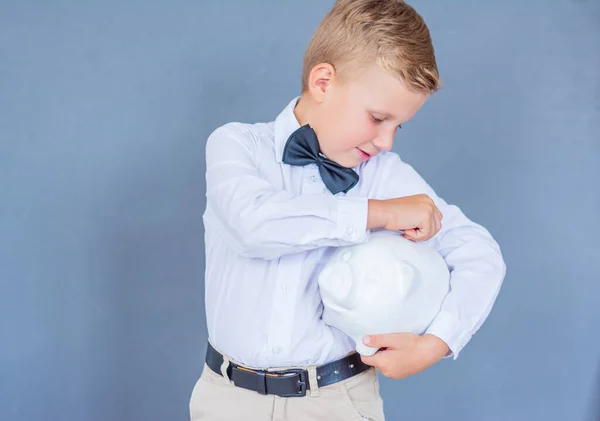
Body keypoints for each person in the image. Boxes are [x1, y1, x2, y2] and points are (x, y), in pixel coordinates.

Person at [189, 1, 506, 420]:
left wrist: (435, 344)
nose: (386, 141)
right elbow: (254, 225)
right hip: (226, 401)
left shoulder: (386, 175)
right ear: (323, 82)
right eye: (378, 118)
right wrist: (376, 214)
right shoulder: (237, 145)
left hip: (338, 402)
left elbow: (479, 253)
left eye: (398, 126)